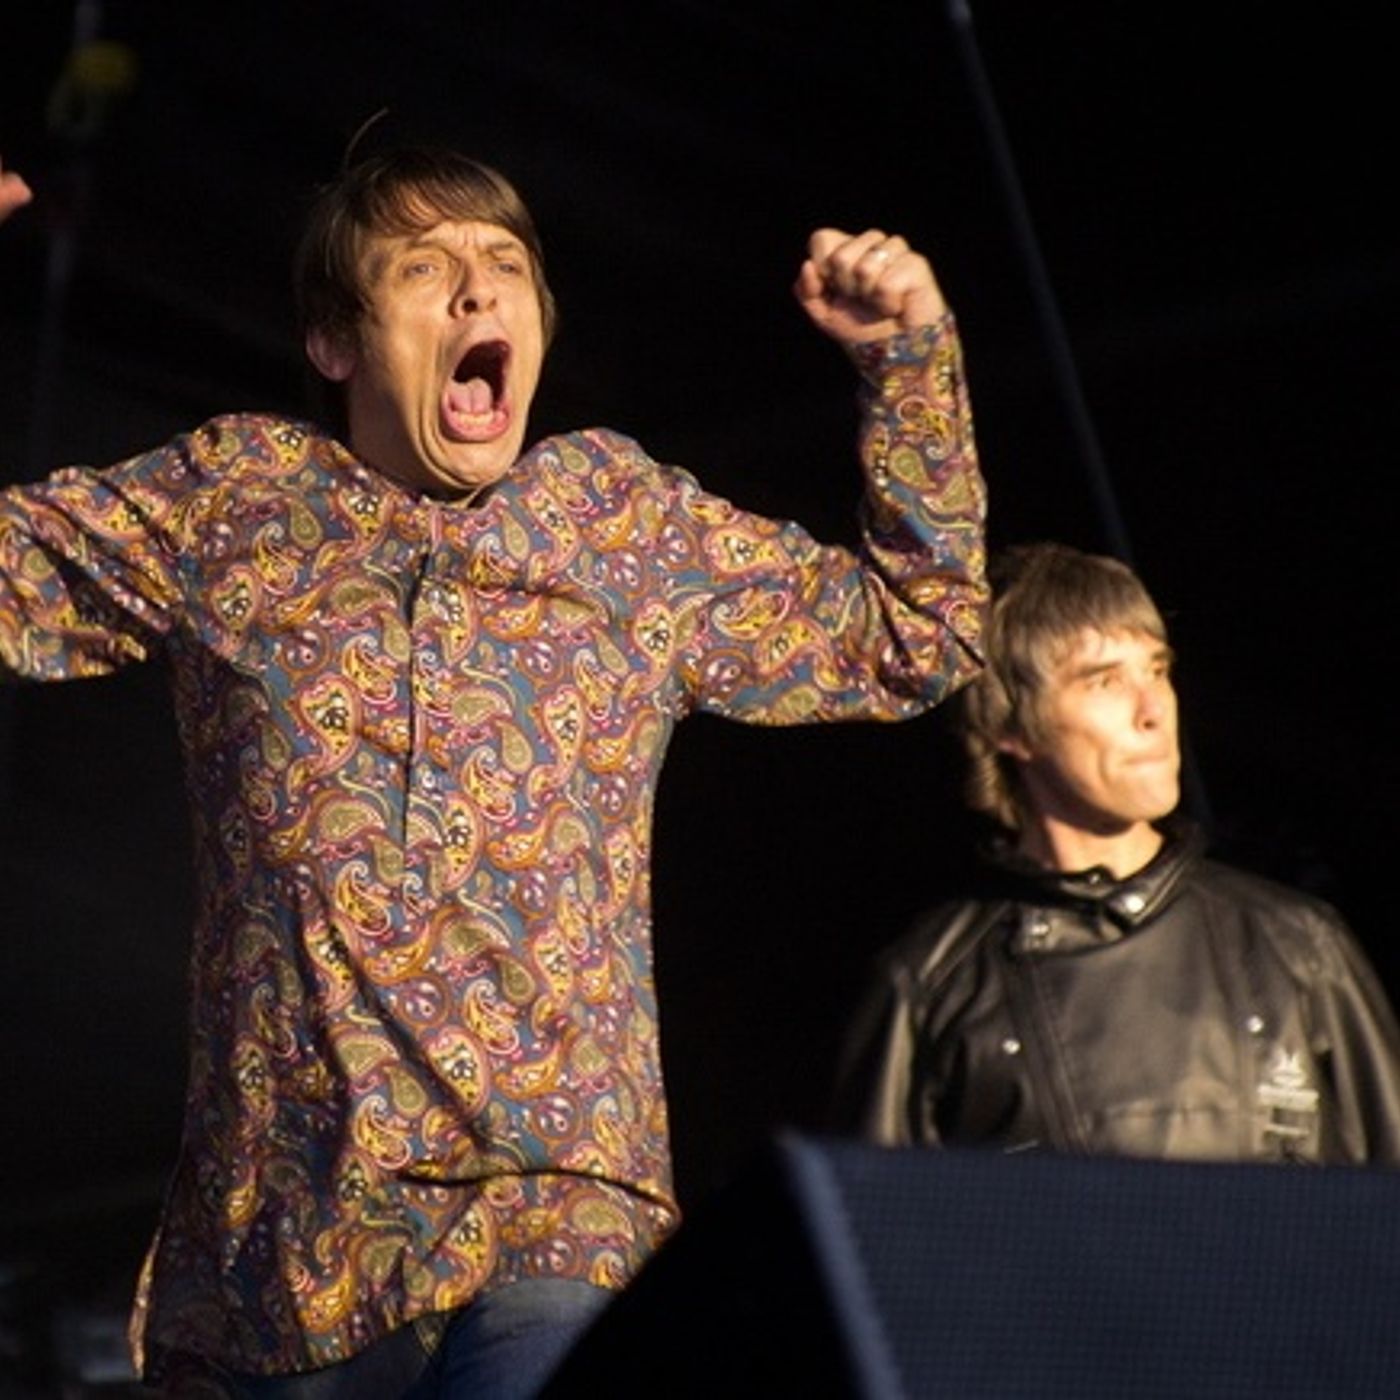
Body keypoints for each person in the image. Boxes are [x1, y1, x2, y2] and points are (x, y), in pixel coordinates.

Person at [0, 141, 988, 1397]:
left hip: (553, 1221)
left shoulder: (617, 526)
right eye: (423, 267)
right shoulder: (240, 499)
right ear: (335, 341)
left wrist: (906, 361)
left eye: (504, 265)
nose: (477, 288)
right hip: (279, 1261)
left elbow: (918, 629)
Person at [831, 540, 1400, 1163]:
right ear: (1009, 727)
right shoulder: (932, 983)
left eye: (1156, 670)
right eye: (1104, 681)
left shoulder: (1298, 946)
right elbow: (867, 1218)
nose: (1153, 711)